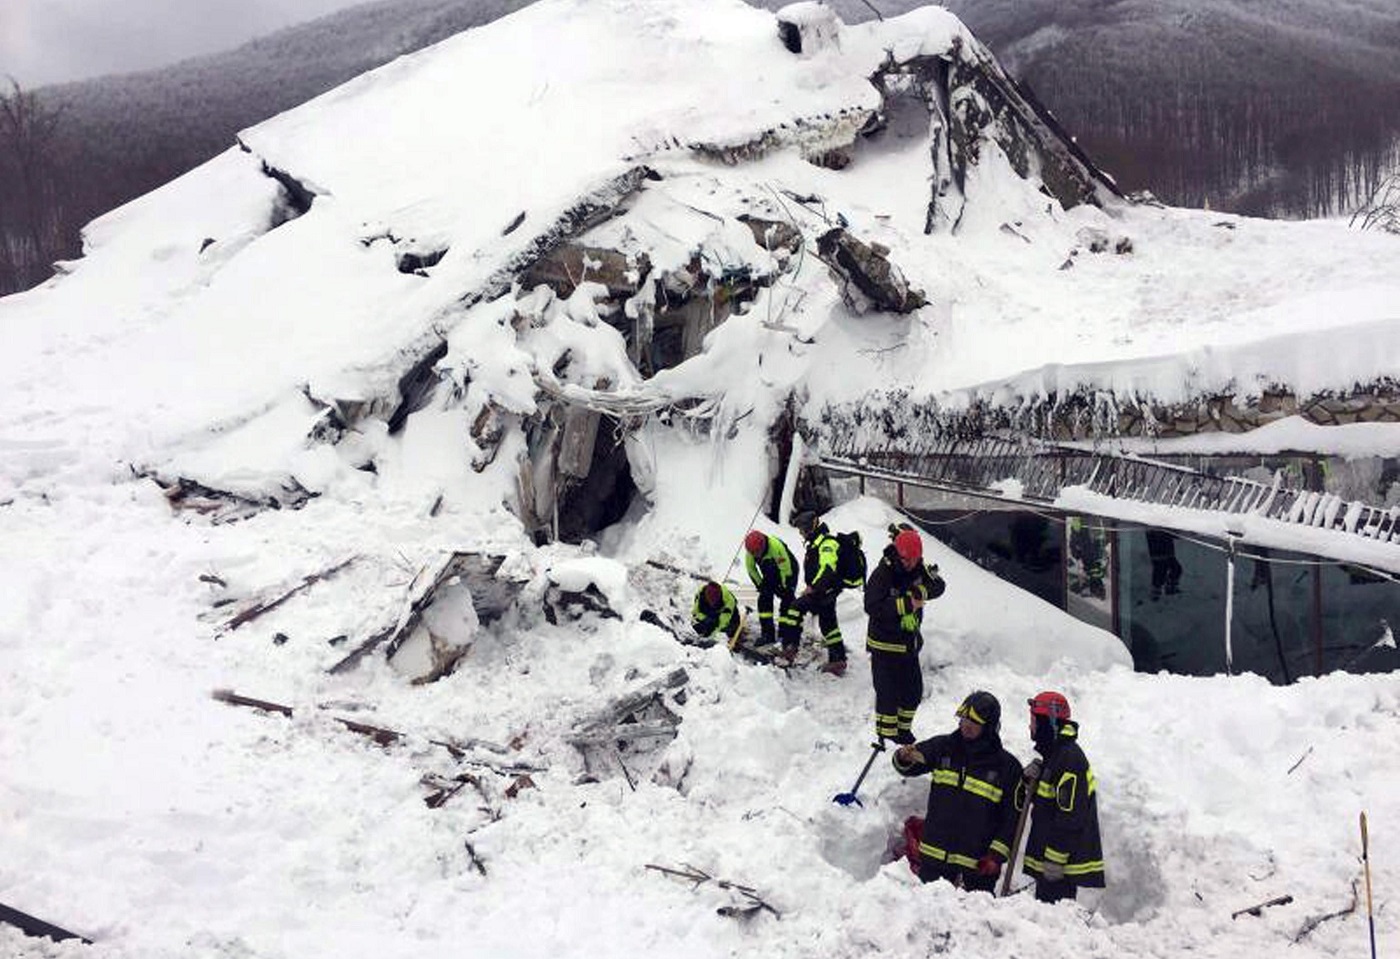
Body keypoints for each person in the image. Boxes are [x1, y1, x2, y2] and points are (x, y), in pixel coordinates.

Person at [893, 691, 1024, 892]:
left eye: (974, 721)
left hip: (977, 867)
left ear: (989, 727)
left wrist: (996, 857)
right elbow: (909, 764)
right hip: (934, 858)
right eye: (963, 719)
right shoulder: (943, 747)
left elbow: (1011, 820)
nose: (966, 725)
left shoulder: (1007, 767)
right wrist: (904, 757)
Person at [863, 523, 944, 745]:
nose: (910, 564)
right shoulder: (882, 573)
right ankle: (886, 736)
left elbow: (940, 585)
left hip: (909, 644)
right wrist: (907, 604)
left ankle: (903, 730)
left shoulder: (919, 568)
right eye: (906, 560)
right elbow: (872, 606)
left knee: (913, 692)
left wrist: (922, 591)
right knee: (887, 694)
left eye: (915, 560)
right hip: (884, 645)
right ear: (898, 554)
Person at [1021, 691, 1105, 903]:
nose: (1030, 727)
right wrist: (1030, 781)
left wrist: (1055, 859)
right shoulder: (1055, 756)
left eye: (1033, 721)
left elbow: (1071, 814)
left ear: (1047, 722)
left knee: (1053, 920)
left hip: (1059, 866)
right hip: (1051, 861)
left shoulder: (1069, 758)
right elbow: (1046, 804)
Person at [790, 511, 857, 676]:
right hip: (825, 590)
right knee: (829, 625)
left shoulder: (827, 543)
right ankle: (838, 659)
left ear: (810, 528)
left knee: (794, 609)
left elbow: (827, 568)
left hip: (823, 591)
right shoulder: (816, 542)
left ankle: (789, 648)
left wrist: (813, 587)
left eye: (802, 529)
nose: (801, 533)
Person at [743, 529, 802, 660]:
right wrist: (760, 585)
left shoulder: (775, 547)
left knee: (787, 600)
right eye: (753, 553)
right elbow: (751, 569)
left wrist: (785, 586)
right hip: (769, 572)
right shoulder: (750, 552)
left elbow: (785, 568)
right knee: (764, 599)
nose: (756, 555)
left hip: (788, 570)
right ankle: (767, 634)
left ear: (763, 545)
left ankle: (784, 634)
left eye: (757, 552)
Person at [691, 580, 743, 649]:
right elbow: (695, 613)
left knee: (730, 627)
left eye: (714, 602)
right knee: (700, 626)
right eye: (710, 601)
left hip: (728, 616)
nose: (712, 603)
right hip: (711, 613)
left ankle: (735, 636)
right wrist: (706, 619)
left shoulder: (729, 601)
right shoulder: (701, 595)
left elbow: (723, 622)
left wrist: (711, 634)